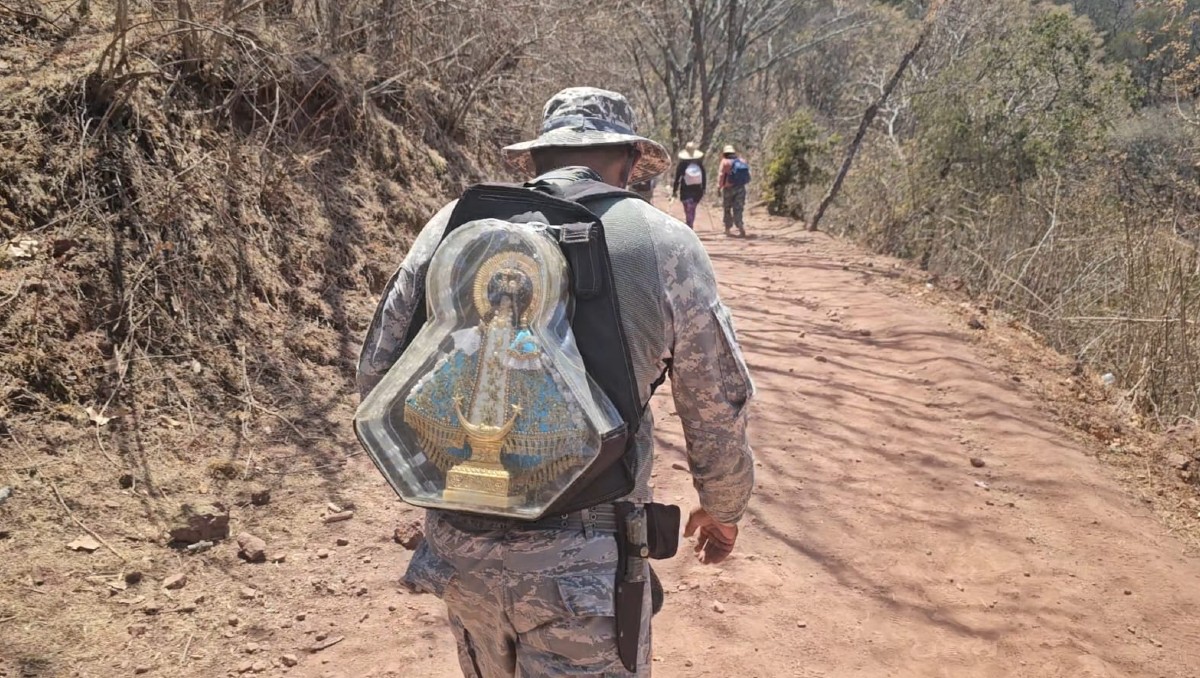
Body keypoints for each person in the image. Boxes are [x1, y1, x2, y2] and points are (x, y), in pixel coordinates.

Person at [356, 87, 755, 677]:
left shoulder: (453, 226)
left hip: (458, 548)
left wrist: (437, 478)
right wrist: (724, 507)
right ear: (626, 160)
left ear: (537, 158)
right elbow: (714, 404)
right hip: (585, 560)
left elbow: (378, 371)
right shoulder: (661, 242)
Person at [671, 141, 706, 229]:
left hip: (685, 190)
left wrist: (674, 190)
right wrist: (704, 188)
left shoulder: (682, 164)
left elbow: (677, 178)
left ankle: (689, 223)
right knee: (692, 208)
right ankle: (690, 223)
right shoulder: (699, 163)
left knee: (687, 208)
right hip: (697, 190)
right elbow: (704, 176)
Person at [717, 144, 750, 237]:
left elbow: (721, 175)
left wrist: (719, 187)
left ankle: (727, 229)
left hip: (728, 189)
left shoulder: (725, 162)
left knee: (727, 208)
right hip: (740, 188)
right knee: (738, 208)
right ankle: (740, 227)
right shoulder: (742, 161)